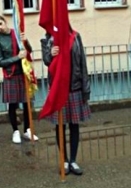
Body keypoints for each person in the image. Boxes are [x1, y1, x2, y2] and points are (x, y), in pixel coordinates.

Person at [40, 29, 91, 176]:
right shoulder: (47, 40)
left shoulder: (75, 37)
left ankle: (73, 160)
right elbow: (47, 61)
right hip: (58, 88)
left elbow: (82, 63)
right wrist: (51, 53)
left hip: (74, 87)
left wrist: (85, 88)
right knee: (60, 126)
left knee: (74, 125)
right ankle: (64, 160)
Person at [0, 15, 38, 144]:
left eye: (1, 23)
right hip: (11, 75)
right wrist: (17, 57)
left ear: (5, 22)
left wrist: (25, 41)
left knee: (27, 103)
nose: (0, 27)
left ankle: (27, 129)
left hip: (24, 73)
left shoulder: (16, 33)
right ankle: (15, 131)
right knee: (12, 104)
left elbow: (29, 51)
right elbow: (0, 62)